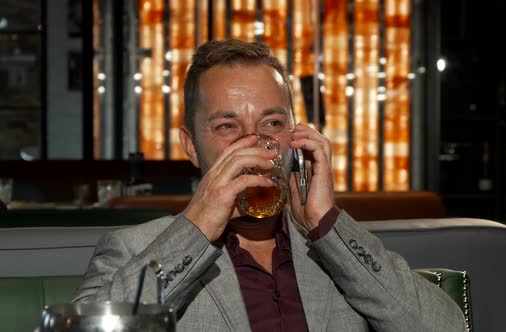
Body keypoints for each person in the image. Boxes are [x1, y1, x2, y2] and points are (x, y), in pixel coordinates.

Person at [73, 39, 467, 331]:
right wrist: (195, 229)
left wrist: (326, 223)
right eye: (228, 126)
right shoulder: (134, 249)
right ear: (191, 146)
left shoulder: (331, 247)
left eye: (272, 124)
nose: (254, 143)